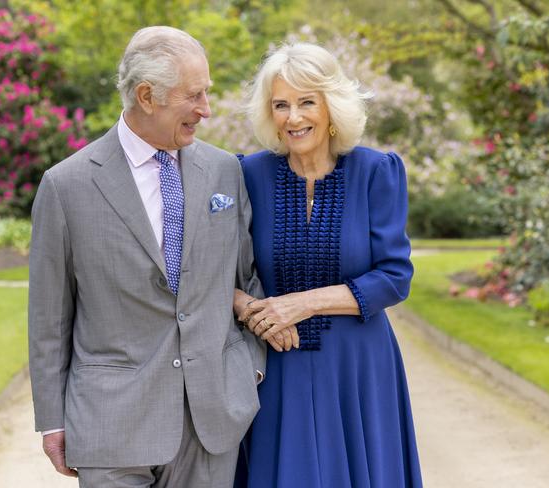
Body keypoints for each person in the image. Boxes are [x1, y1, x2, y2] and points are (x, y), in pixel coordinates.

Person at [28, 26, 269, 488]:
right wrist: (52, 419)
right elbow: (49, 318)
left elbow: (246, 276)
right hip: (110, 426)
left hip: (211, 421)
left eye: (207, 93)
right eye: (194, 96)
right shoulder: (67, 186)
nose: (206, 109)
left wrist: (247, 368)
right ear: (147, 96)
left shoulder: (224, 171)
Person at [233, 43, 423, 488]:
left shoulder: (378, 171)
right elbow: (213, 269)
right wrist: (251, 309)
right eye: (280, 105)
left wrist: (299, 304)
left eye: (306, 102)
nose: (293, 117)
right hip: (278, 364)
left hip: (360, 368)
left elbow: (395, 278)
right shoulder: (246, 175)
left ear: (331, 107)